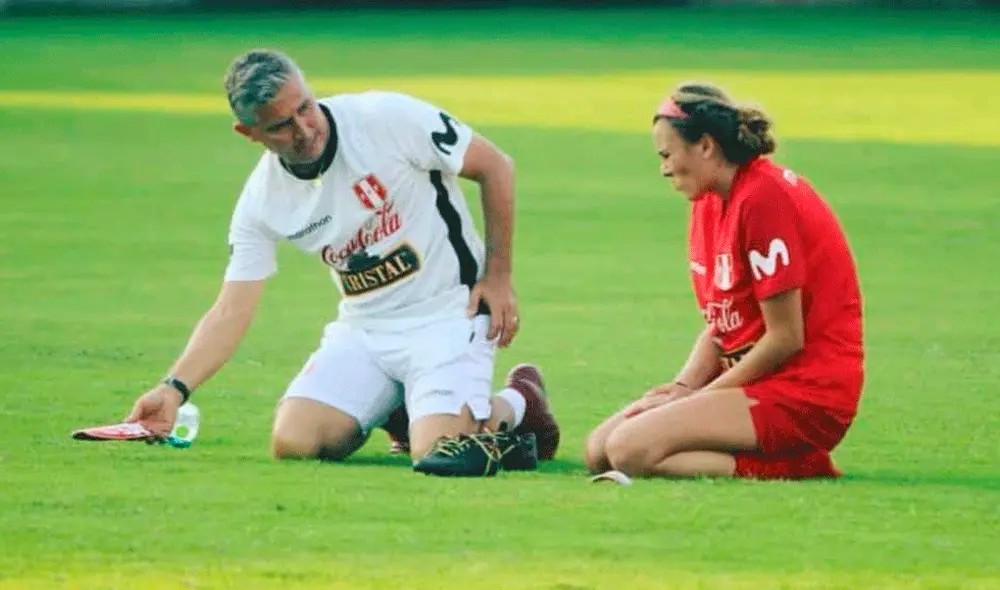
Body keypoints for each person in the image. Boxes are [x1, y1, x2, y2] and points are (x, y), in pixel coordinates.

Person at [123, 49, 560, 477]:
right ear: (248, 133)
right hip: (364, 329)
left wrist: (498, 276)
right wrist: (173, 389)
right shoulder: (262, 200)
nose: (304, 129)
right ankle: (406, 408)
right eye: (281, 125)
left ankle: (520, 402)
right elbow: (231, 309)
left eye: (304, 107)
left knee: (437, 453)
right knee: (295, 443)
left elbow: (496, 166)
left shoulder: (385, 119)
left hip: (449, 313)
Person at [585, 82, 863, 481]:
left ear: (705, 146)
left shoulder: (763, 198)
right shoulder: (709, 201)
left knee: (629, 449)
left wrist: (699, 398)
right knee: (599, 450)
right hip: (756, 383)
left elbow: (786, 338)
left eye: (667, 155)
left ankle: (800, 465)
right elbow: (723, 325)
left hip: (804, 391)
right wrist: (682, 387)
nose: (664, 169)